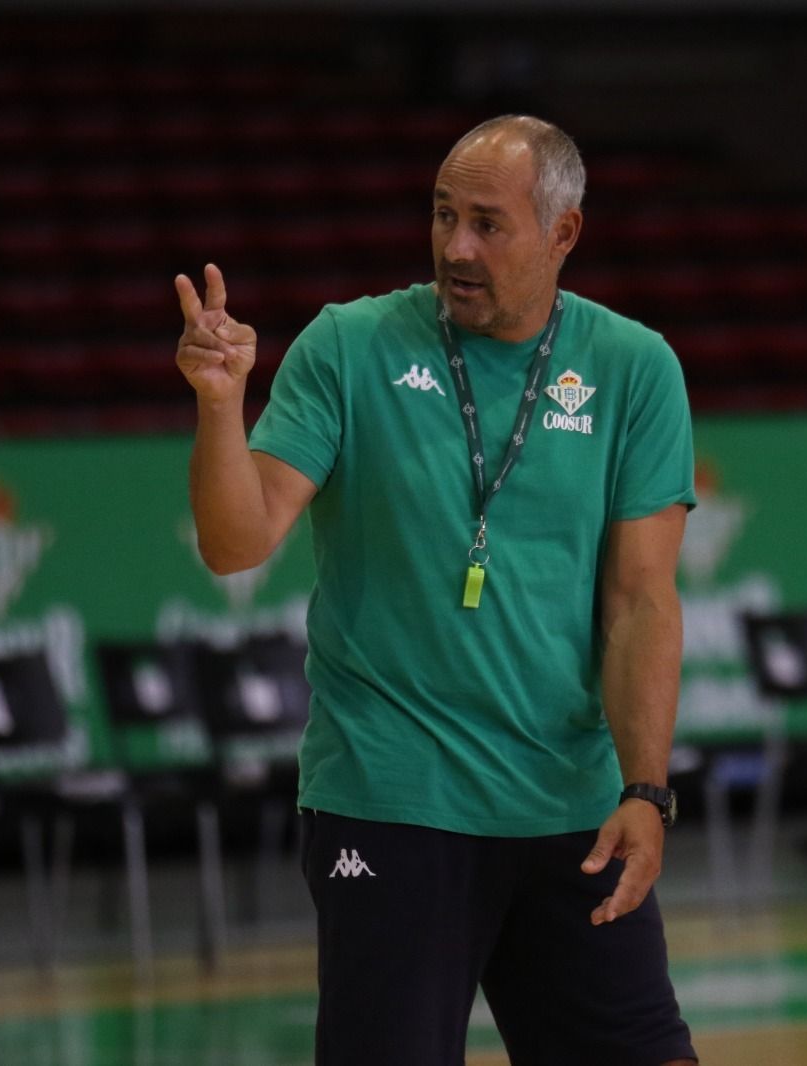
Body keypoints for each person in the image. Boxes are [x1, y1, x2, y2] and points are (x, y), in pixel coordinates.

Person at [174, 115, 699, 1066]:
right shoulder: (349, 345)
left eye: (488, 224)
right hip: (392, 801)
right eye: (443, 215)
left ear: (563, 234)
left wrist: (646, 791)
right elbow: (234, 540)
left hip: (570, 810)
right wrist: (221, 406)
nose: (456, 246)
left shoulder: (635, 370)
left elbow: (641, 603)